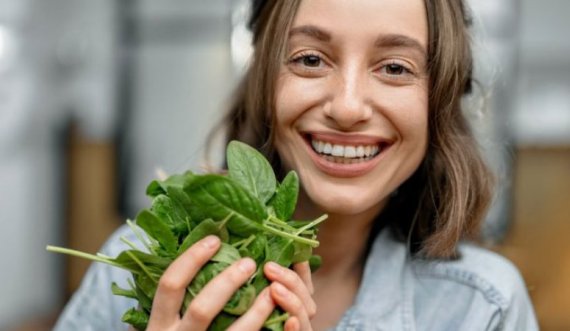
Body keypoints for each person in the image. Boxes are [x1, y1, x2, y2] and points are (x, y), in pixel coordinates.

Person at [54, 0, 539, 330]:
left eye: (395, 67)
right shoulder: (137, 265)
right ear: (263, 82)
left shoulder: (482, 307)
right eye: (310, 59)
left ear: (439, 103)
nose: (348, 107)